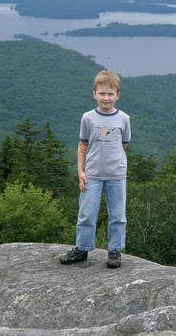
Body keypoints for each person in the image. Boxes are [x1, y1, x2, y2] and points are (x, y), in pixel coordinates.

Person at [59, 69, 131, 268]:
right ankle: (82, 248)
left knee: (118, 215)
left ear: (118, 95)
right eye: (102, 93)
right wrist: (81, 172)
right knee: (87, 213)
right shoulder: (88, 118)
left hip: (116, 174)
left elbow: (124, 144)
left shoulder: (123, 118)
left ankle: (114, 250)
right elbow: (82, 147)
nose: (106, 98)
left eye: (110, 94)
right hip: (92, 175)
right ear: (94, 94)